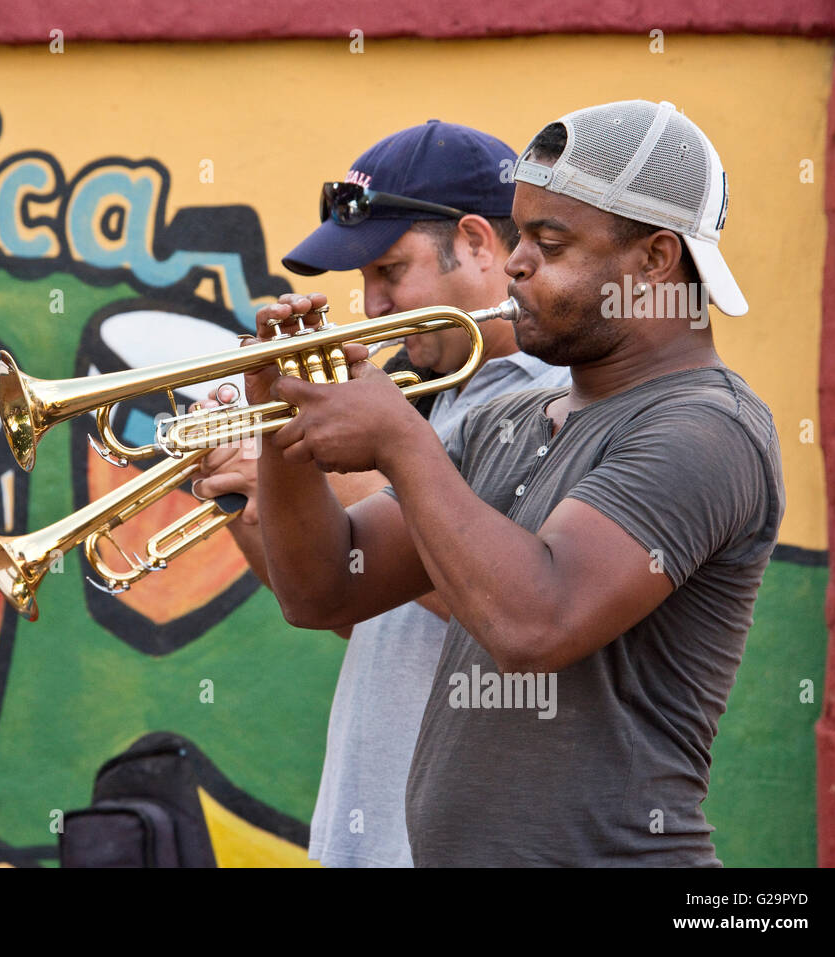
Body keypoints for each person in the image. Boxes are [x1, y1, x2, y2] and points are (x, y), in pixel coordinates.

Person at [241, 99, 784, 866]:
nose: (517, 259)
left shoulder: (706, 427)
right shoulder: (513, 418)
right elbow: (324, 590)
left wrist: (399, 439)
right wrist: (282, 424)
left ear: (656, 262)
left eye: (549, 241)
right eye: (520, 233)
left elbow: (536, 625)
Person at [193, 121, 568, 867]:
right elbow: (345, 608)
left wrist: (366, 458)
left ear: (477, 243)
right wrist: (250, 493)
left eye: (390, 271)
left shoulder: (557, 401)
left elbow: (504, 606)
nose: (370, 307)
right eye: (362, 279)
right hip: (365, 830)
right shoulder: (426, 394)